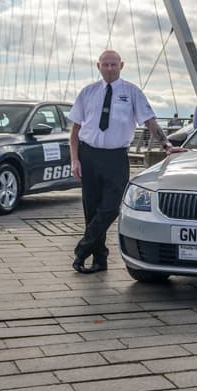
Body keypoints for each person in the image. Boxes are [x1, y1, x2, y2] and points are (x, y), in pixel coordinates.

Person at [68, 50, 179, 274]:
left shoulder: (132, 92)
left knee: (111, 206)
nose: (110, 68)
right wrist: (74, 160)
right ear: (98, 66)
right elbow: (75, 131)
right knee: (92, 209)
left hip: (116, 157)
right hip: (89, 156)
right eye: (105, 64)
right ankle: (99, 260)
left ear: (122, 65)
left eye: (114, 64)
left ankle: (83, 247)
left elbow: (149, 121)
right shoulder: (88, 92)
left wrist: (166, 145)